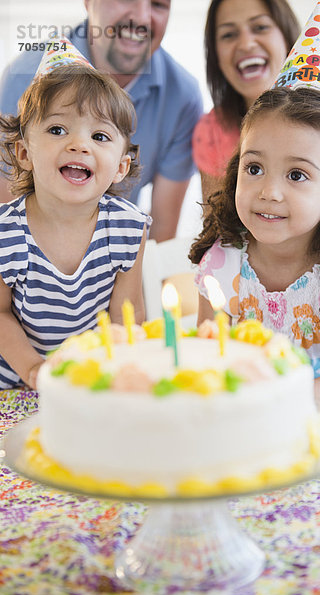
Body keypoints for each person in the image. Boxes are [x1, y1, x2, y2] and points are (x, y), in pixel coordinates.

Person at [190, 84, 320, 403]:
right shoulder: (222, 264)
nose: (269, 192)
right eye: (255, 168)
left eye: (296, 175)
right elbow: (209, 353)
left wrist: (291, 400)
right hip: (259, 409)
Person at [0, 51, 152, 390]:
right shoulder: (7, 234)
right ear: (24, 153)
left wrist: (124, 369)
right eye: (57, 129)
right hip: (15, 382)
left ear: (120, 167)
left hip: (90, 379)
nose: (79, 145)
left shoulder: (128, 228)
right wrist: (34, 370)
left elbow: (126, 314)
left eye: (99, 137)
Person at [0, 0, 203, 241]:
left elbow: (161, 234)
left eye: (158, 4)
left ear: (123, 167)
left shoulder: (182, 96)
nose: (141, 17)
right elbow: (10, 219)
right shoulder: (24, 77)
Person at [192, 0, 320, 204]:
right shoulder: (212, 131)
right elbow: (216, 225)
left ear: (286, 37)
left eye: (260, 27)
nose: (246, 44)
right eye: (228, 34)